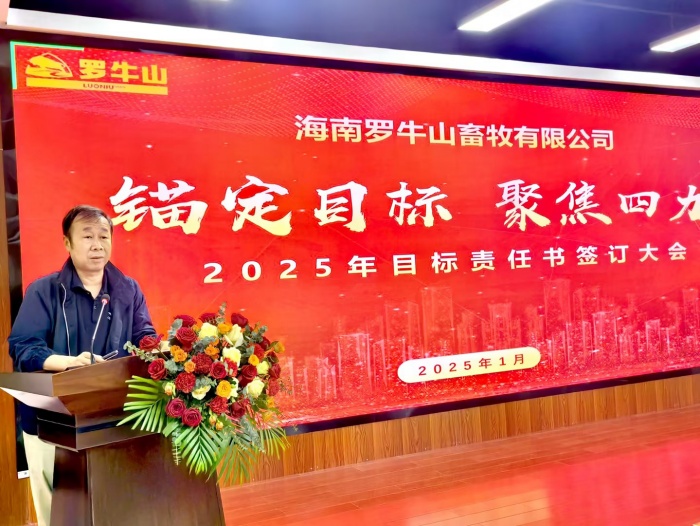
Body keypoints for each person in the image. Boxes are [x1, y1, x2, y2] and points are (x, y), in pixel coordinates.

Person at [8, 205, 157, 526]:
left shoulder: (128, 290)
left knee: (115, 507)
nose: (97, 245)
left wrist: (158, 351)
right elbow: (23, 346)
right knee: (60, 513)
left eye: (104, 236)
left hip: (113, 418)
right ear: (67, 242)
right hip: (52, 420)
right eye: (87, 236)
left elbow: (145, 337)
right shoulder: (44, 291)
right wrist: (69, 364)